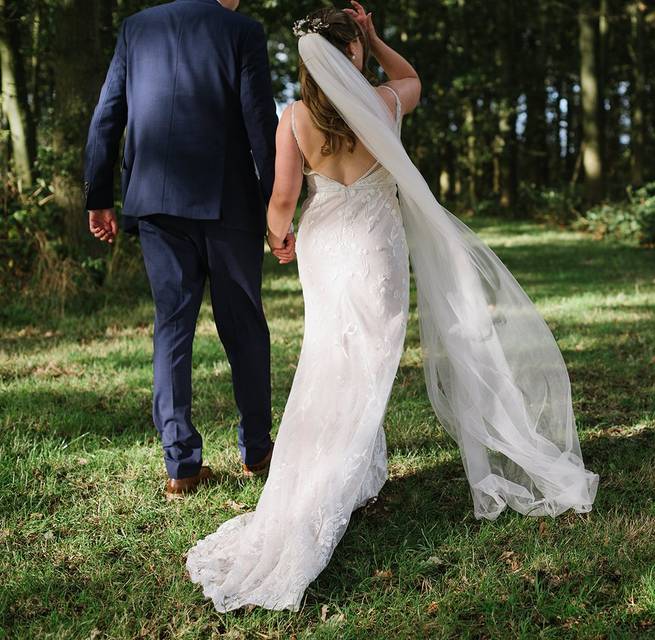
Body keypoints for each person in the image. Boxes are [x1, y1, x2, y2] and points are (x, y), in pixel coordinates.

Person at [185, 2, 599, 612]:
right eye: (353, 45)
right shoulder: (381, 103)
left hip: (325, 244)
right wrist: (377, 40)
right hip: (377, 244)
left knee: (329, 357)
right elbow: (415, 83)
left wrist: (279, 236)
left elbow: (281, 196)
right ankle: (349, 468)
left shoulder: (294, 116)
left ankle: (344, 471)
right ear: (349, 51)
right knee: (369, 363)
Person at [83, 0, 284, 498]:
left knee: (171, 329)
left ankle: (181, 467)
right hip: (228, 205)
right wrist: (275, 207)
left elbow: (108, 112)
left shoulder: (137, 27)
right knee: (243, 325)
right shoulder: (242, 30)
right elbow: (260, 120)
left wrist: (98, 195)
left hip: (154, 203)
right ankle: (258, 451)